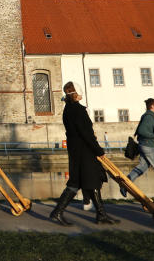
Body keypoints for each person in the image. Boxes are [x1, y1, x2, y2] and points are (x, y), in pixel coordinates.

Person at [49, 81, 119, 226]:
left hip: (77, 150)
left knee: (87, 181)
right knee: (81, 181)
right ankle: (57, 213)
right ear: (75, 94)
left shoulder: (68, 109)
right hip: (84, 151)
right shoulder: (78, 110)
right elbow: (86, 134)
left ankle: (101, 215)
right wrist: (98, 151)